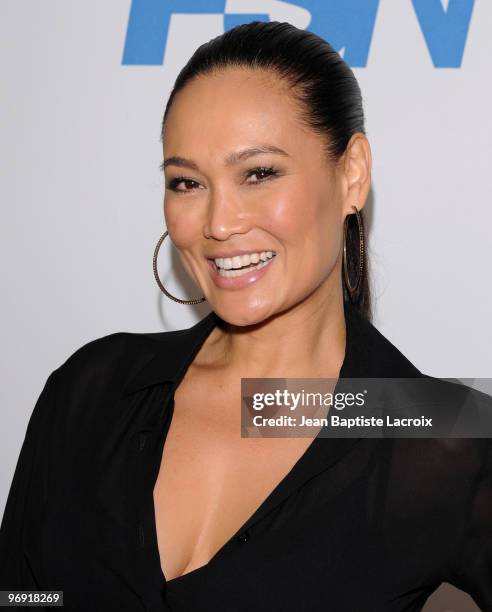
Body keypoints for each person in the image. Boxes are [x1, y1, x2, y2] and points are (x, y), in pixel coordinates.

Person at [0, 20, 491, 612]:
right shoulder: (93, 387)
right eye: (186, 182)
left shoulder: (441, 435)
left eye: (259, 173)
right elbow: (24, 595)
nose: (218, 222)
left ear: (351, 174)